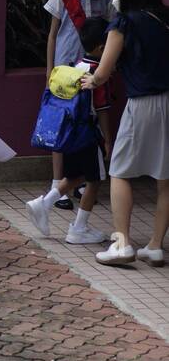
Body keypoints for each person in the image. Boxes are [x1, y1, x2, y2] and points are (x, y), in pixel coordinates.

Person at [82, 0, 169, 266]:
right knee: (165, 178)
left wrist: (90, 81)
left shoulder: (124, 23)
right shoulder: (164, 18)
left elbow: (103, 72)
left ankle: (122, 243)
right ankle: (156, 246)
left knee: (120, 170)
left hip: (142, 102)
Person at [24, 17, 113, 244]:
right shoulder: (96, 76)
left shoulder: (75, 66)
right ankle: (78, 229)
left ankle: (43, 204)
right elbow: (101, 110)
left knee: (76, 175)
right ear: (103, 47)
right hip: (88, 135)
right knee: (94, 181)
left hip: (70, 134)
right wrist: (107, 141)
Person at [44, 0, 115, 209]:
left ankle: (83, 180)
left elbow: (112, 36)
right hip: (63, 71)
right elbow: (52, 35)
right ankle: (57, 183)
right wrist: (49, 70)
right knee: (60, 126)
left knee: (89, 124)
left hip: (92, 72)